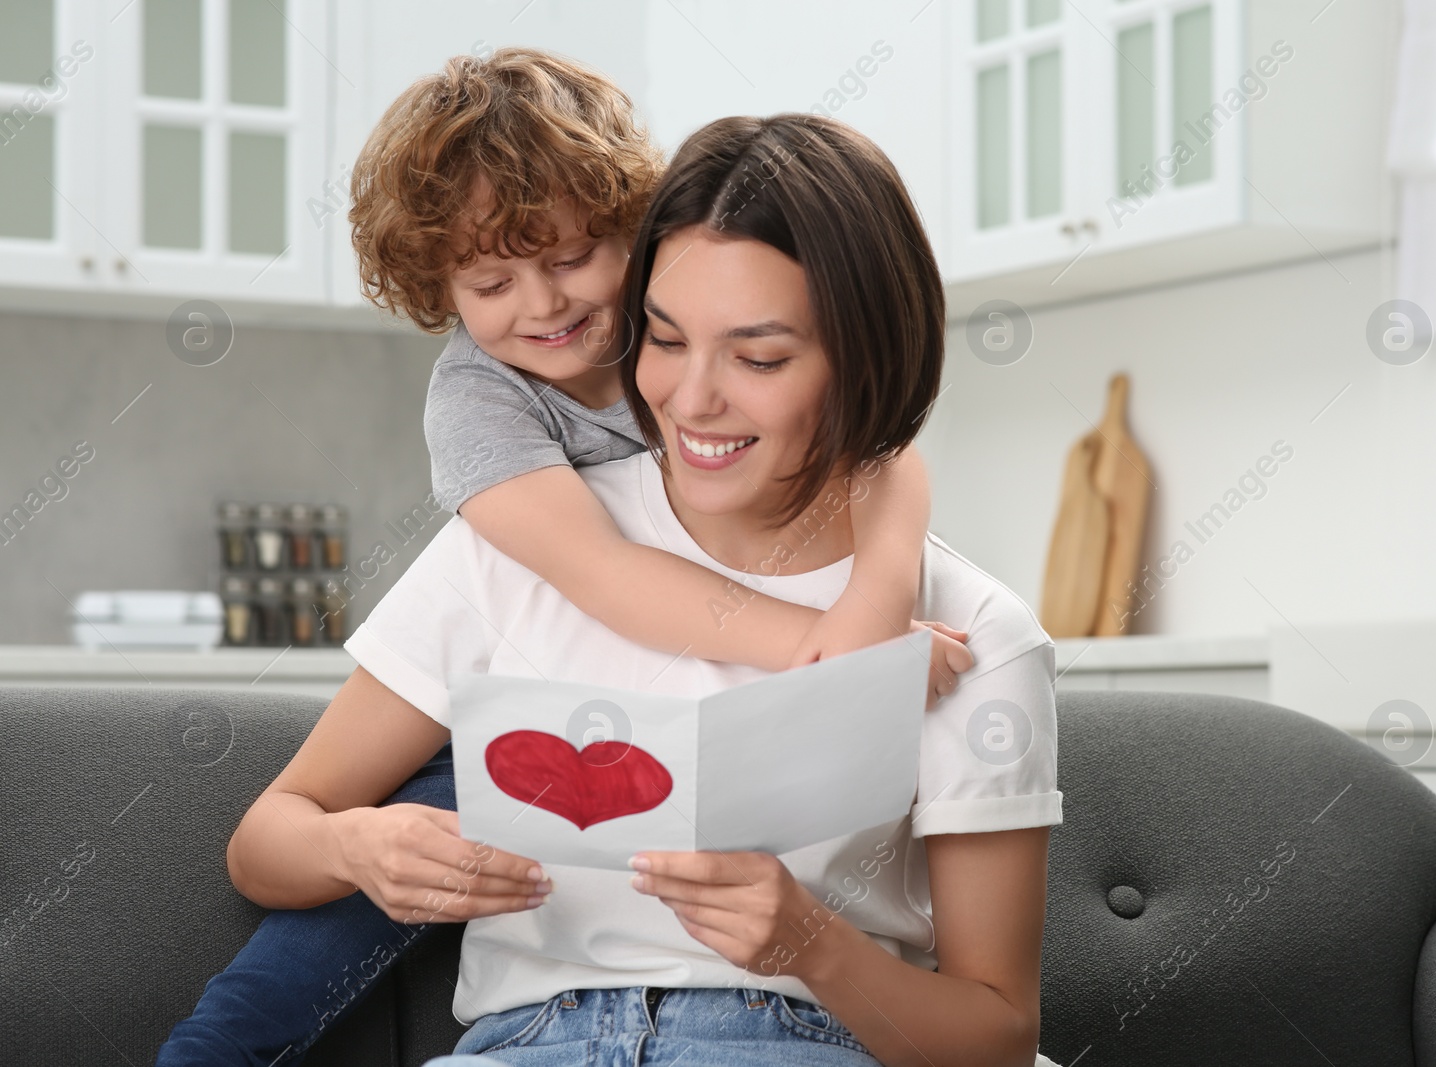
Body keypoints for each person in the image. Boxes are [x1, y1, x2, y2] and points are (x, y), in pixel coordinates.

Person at [157, 51, 970, 1066]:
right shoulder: (480, 401)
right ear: (439, 286)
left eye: (573, 255)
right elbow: (596, 570)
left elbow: (882, 451)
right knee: (327, 926)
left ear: (636, 225)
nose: (542, 305)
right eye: (490, 281)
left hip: (702, 750)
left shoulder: (675, 330)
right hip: (509, 729)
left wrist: (875, 602)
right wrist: (823, 641)